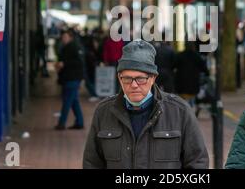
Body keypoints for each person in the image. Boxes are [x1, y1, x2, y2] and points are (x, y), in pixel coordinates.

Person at [82, 39, 209, 169]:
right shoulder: (104, 112)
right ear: (119, 78)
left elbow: (197, 161)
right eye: (127, 78)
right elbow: (92, 163)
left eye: (141, 79)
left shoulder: (179, 111)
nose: (134, 85)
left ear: (153, 78)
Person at [54, 29, 85, 130]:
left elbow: (79, 62)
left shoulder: (74, 47)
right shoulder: (66, 47)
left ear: (70, 37)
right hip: (69, 77)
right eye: (63, 37)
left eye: (65, 37)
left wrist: (64, 64)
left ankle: (61, 123)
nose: (63, 39)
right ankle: (79, 122)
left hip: (72, 78)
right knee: (74, 101)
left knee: (67, 101)